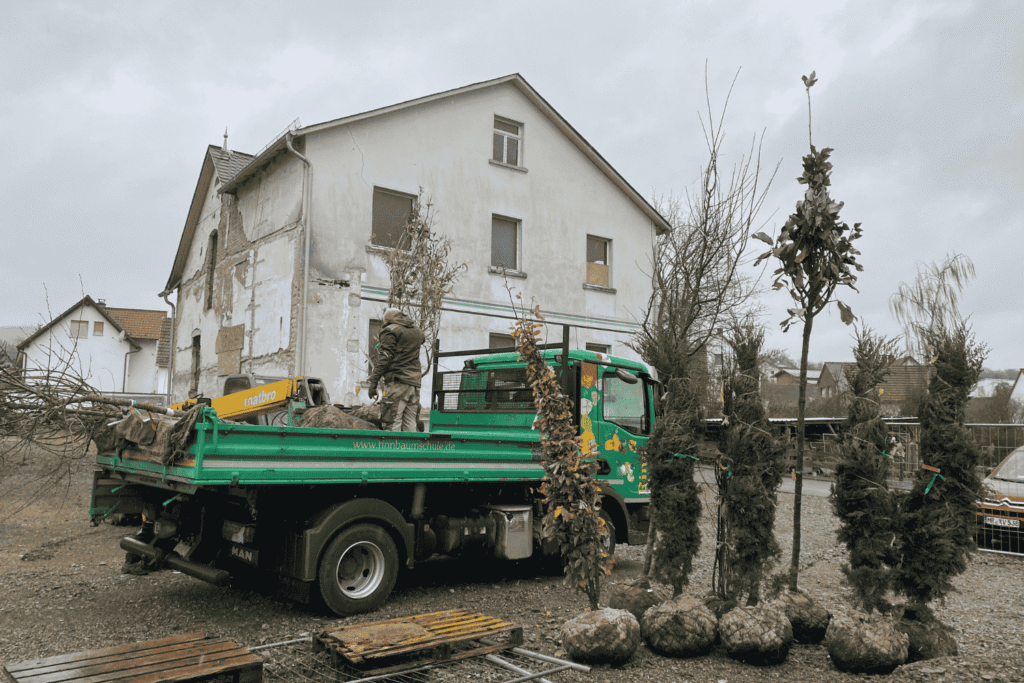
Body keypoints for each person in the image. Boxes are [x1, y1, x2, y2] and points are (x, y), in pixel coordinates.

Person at [367, 308, 425, 431]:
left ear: (387, 319)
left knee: (392, 422)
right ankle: (410, 444)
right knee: (410, 424)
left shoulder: (390, 331)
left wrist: (373, 382)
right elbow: (422, 339)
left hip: (398, 382)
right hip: (414, 384)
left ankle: (392, 444)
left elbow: (385, 358)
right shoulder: (417, 331)